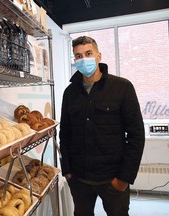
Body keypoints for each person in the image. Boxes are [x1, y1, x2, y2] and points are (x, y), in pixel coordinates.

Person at [59, 36, 145, 216]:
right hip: (79, 180)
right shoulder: (70, 93)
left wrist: (123, 179)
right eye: (78, 56)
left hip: (112, 179)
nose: (84, 59)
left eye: (88, 53)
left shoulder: (122, 87)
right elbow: (65, 134)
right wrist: (67, 171)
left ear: (99, 56)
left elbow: (136, 135)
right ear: (75, 60)